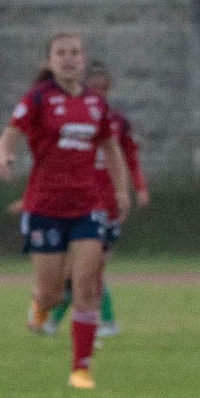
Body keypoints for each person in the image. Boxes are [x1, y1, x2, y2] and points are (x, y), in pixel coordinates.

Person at [0, 32, 131, 390]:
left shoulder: (96, 105)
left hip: (88, 206)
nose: (69, 59)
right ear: (51, 61)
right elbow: (9, 134)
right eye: (61, 53)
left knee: (86, 285)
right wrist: (5, 154)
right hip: (44, 207)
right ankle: (40, 307)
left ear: (83, 60)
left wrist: (120, 189)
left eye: (74, 53)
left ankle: (81, 369)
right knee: (52, 293)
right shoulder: (38, 98)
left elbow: (111, 148)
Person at [48, 62, 147, 337]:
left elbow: (131, 158)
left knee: (90, 267)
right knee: (77, 268)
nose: (100, 93)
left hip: (107, 204)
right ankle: (55, 321)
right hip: (78, 201)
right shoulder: (70, 119)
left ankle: (102, 322)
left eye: (105, 88)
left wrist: (137, 188)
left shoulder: (118, 123)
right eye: (95, 88)